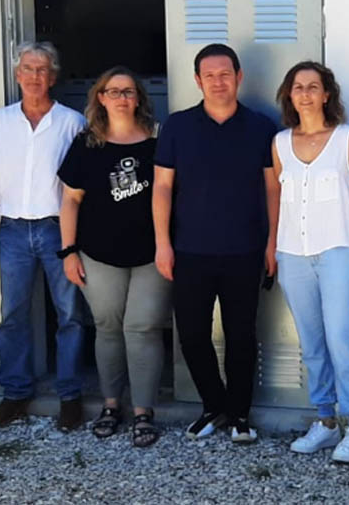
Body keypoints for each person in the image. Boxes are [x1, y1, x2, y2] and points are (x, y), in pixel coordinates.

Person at [152, 43, 278, 444]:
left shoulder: (261, 127)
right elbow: (162, 187)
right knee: (191, 335)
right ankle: (213, 406)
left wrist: (272, 243)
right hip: (189, 250)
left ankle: (240, 414)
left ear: (239, 77)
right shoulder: (177, 126)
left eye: (225, 74)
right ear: (197, 80)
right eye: (210, 75)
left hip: (245, 249)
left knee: (242, 336)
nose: (218, 82)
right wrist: (162, 243)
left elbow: (273, 189)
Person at [57, 66, 170, 447]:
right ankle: (110, 405)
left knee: (142, 327)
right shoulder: (85, 144)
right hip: (97, 253)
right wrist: (68, 251)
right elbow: (70, 201)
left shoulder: (158, 140)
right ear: (101, 98)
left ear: (138, 98)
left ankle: (143, 411)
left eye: (128, 91)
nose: (121, 98)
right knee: (107, 326)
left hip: (151, 253)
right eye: (114, 91)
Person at [271, 61, 349, 463]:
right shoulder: (280, 143)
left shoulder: (348, 138)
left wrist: (346, 232)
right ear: (289, 94)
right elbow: (278, 199)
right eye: (298, 87)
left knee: (340, 337)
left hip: (338, 252)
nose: (306, 94)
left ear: (327, 94)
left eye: (313, 86)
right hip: (293, 254)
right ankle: (326, 420)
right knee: (311, 342)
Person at [0, 42, 87, 431]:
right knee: (12, 314)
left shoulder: (72, 122)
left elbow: (79, 183)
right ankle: (15, 393)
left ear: (53, 77)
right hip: (12, 228)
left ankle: (70, 396)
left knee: (69, 314)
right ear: (17, 74)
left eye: (42, 69)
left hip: (58, 228)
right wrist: (12, 208)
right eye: (28, 68)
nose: (34, 76)